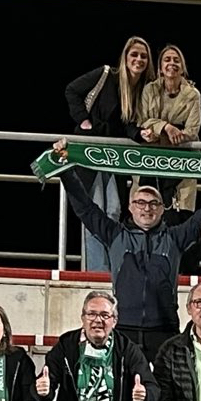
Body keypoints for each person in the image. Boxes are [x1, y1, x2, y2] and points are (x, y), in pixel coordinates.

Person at [50, 141, 201, 360]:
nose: (146, 208)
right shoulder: (115, 235)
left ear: (162, 208)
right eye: (140, 202)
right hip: (123, 331)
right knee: (125, 394)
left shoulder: (175, 237)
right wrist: (65, 170)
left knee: (166, 394)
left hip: (165, 332)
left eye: (153, 203)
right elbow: (84, 207)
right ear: (130, 207)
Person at [65, 39, 153, 268]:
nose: (138, 60)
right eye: (134, 54)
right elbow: (72, 90)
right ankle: (95, 271)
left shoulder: (142, 90)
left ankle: (110, 269)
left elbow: (128, 126)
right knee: (94, 211)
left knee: (113, 210)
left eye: (143, 56)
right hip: (90, 154)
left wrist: (141, 134)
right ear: (125, 57)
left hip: (115, 157)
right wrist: (84, 120)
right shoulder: (106, 75)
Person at [39, 290, 153, 401]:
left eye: (105, 315)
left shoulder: (128, 349)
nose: (98, 320)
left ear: (114, 321)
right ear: (83, 318)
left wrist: (145, 394)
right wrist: (44, 391)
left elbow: (153, 389)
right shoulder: (66, 344)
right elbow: (46, 383)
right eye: (92, 314)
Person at [136, 45, 201, 208]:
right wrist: (167, 127)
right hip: (152, 158)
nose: (171, 63)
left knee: (181, 215)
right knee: (148, 208)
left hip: (182, 159)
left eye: (176, 60)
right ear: (160, 68)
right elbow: (142, 121)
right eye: (167, 59)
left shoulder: (193, 94)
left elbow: (192, 130)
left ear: (182, 68)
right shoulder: (149, 90)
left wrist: (159, 131)